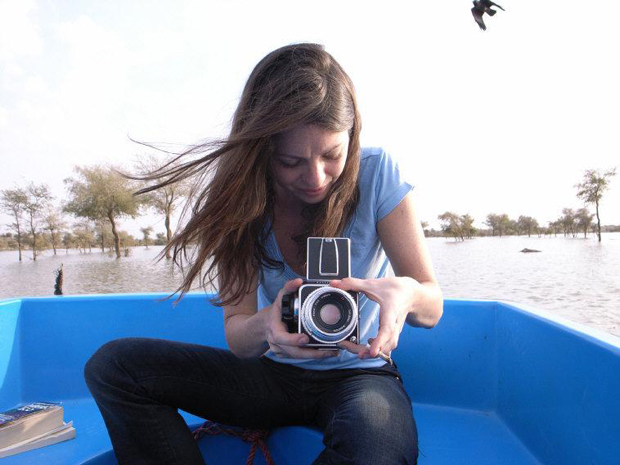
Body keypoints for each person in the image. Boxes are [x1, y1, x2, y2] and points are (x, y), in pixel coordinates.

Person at [84, 42, 443, 465]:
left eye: (332, 155)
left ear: (353, 135)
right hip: (272, 377)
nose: (315, 178)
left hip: (361, 376)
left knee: (376, 453)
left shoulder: (379, 171)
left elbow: (431, 307)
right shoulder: (239, 196)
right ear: (260, 151)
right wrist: (269, 328)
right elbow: (238, 336)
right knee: (114, 368)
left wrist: (407, 294)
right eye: (290, 161)